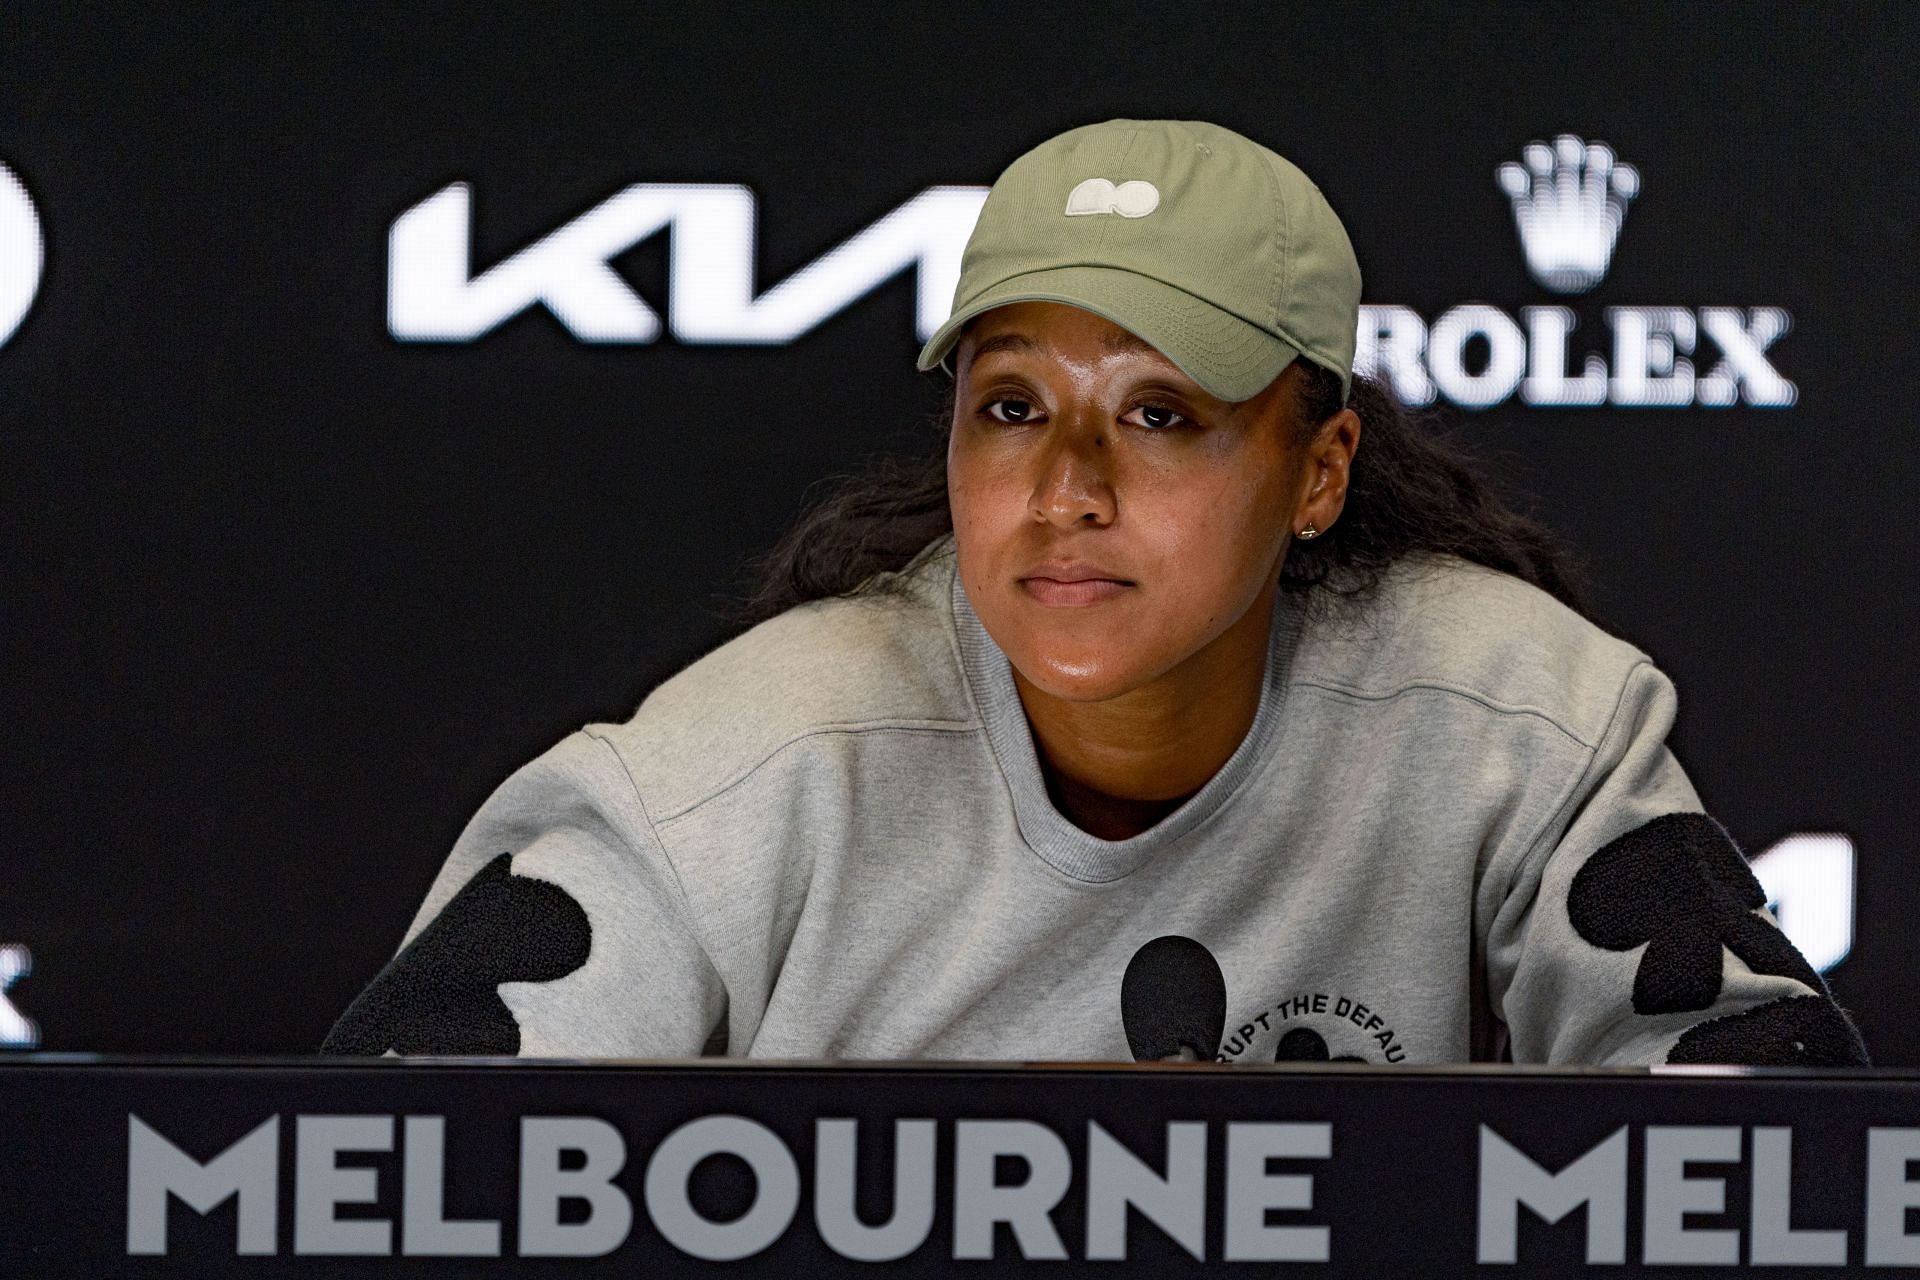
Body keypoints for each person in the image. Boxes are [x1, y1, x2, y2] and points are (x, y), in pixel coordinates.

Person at [325, 119, 1867, 1067]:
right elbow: (390, 1164)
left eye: (1159, 412)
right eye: (1012, 406)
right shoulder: (750, 763)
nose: (1066, 484)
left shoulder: (1510, 726)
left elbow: (1756, 1134)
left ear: (1319, 470)